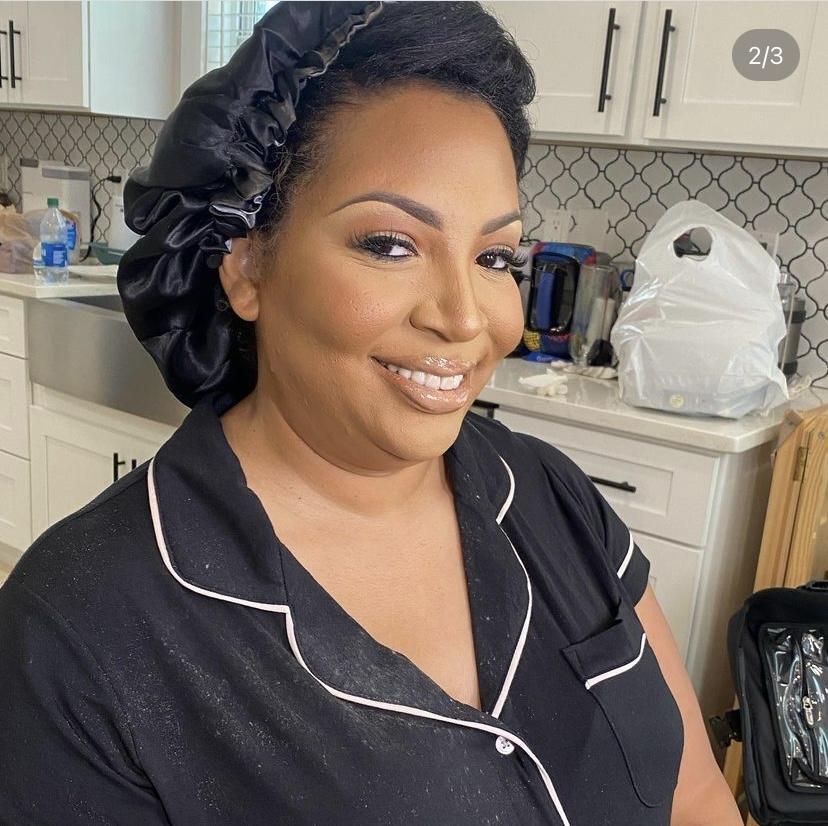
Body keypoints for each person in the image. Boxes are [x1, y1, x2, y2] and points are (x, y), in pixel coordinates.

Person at [0, 3, 741, 824]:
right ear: (244, 267)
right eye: (390, 244)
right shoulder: (81, 631)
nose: (465, 317)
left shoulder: (547, 493)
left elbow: (697, 796)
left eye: (494, 256)